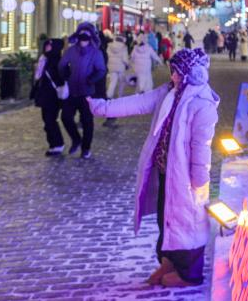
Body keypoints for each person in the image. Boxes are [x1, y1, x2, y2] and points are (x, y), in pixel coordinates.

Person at [87, 49, 219, 288]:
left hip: (186, 177)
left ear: (188, 72)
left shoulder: (202, 103)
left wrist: (199, 180)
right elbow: (139, 102)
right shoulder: (170, 91)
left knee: (187, 221)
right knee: (165, 217)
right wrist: (103, 108)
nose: (172, 75)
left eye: (176, 71)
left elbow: (202, 146)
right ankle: (170, 261)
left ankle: (190, 274)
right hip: (165, 171)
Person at [59, 22, 106, 158]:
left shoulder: (95, 53)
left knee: (87, 121)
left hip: (87, 92)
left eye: (86, 38)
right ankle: (76, 139)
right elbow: (62, 64)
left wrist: (91, 80)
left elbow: (101, 70)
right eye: (81, 37)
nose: (83, 41)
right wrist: (65, 75)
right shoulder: (71, 50)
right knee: (66, 117)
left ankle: (86, 148)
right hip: (72, 91)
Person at [33, 38, 66, 156]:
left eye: (49, 46)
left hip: (53, 96)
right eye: (46, 46)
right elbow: (38, 76)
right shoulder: (44, 59)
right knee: (46, 120)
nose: (47, 48)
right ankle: (53, 144)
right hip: (44, 94)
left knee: (50, 120)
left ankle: (58, 144)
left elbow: (62, 77)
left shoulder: (57, 61)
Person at [104, 30, 131, 128]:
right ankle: (120, 96)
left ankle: (109, 95)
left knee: (112, 81)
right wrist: (128, 65)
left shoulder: (109, 45)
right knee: (122, 82)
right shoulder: (124, 47)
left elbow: (107, 56)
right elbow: (125, 59)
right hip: (120, 67)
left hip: (111, 66)